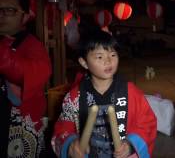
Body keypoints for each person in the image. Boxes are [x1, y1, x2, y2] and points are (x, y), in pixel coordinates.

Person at [51, 29, 157, 158]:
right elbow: (63, 126)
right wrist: (71, 144)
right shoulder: (74, 97)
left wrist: (130, 145)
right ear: (84, 62)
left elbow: (147, 122)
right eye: (100, 57)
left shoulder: (130, 91)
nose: (108, 61)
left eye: (113, 55)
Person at [0, 0, 52, 158]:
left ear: (24, 15)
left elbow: (36, 73)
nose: (1, 15)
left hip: (18, 126)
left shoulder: (32, 45)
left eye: (9, 10)